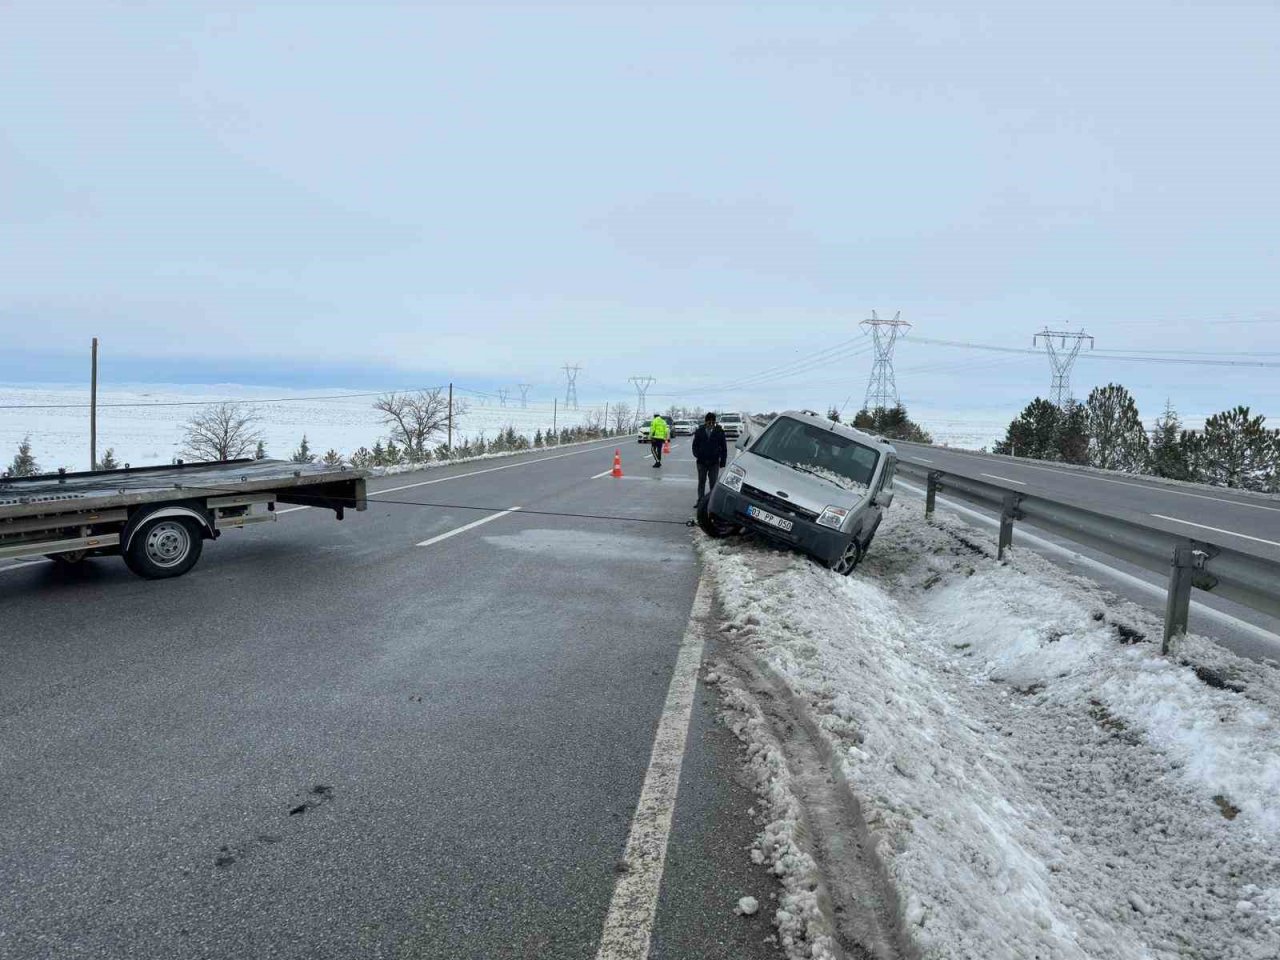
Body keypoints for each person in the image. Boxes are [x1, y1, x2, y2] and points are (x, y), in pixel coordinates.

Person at [691, 411, 728, 502]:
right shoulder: (699, 431)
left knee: (713, 483)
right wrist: (698, 455)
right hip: (701, 462)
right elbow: (695, 445)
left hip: (714, 462)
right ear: (705, 422)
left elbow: (724, 448)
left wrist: (723, 461)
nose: (711, 424)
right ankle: (701, 500)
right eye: (709, 422)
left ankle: (711, 501)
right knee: (701, 482)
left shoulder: (719, 431)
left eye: (713, 422)